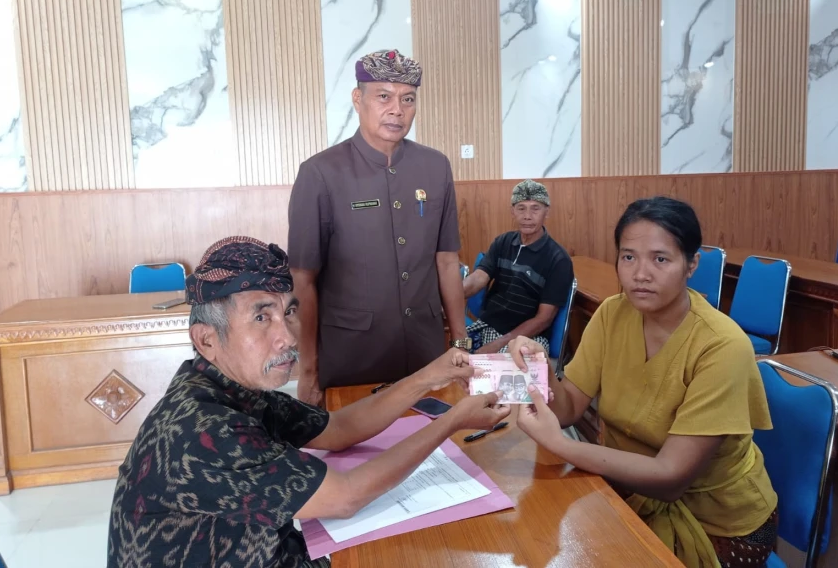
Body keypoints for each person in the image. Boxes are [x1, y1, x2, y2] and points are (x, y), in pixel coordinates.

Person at [107, 236, 508, 568]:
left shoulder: (231, 388)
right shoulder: (204, 429)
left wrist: (431, 375)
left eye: (288, 313)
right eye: (261, 318)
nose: (287, 338)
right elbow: (345, 497)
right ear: (206, 339)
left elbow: (337, 429)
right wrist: (451, 421)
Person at [511, 197, 778, 568]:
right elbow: (569, 406)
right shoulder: (611, 314)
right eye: (628, 257)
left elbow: (670, 479)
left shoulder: (722, 346)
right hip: (626, 491)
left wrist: (560, 445)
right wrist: (538, 369)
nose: (640, 274)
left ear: (691, 265)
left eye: (661, 259)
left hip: (718, 524)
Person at [288, 49, 468, 404]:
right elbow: (302, 279)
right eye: (384, 96)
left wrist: (460, 342)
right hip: (353, 354)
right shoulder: (321, 173)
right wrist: (308, 368)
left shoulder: (435, 167)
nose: (397, 110)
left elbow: (447, 261)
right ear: (358, 99)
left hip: (425, 350)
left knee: (437, 436)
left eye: (408, 99)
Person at [462, 179, 574, 354]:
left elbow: (543, 319)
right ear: (512, 211)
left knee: (494, 367)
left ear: (547, 212)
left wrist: (498, 345)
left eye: (535, 208)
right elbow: (478, 278)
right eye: (521, 208)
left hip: (528, 337)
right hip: (488, 326)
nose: (527, 216)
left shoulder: (558, 260)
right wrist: (446, 296)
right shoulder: (502, 242)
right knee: (452, 351)